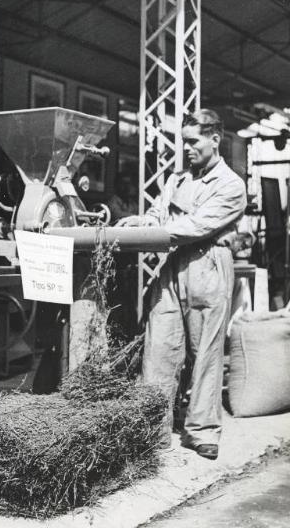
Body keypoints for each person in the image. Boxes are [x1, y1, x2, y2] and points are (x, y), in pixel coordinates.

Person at [117, 109, 247, 460]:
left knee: (205, 350)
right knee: (159, 346)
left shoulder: (232, 185)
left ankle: (201, 431)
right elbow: (161, 216)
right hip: (173, 264)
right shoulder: (177, 180)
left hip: (208, 264)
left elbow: (195, 226)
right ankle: (151, 429)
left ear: (215, 139)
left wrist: (152, 232)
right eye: (183, 141)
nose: (186, 148)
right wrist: (139, 222)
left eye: (193, 141)